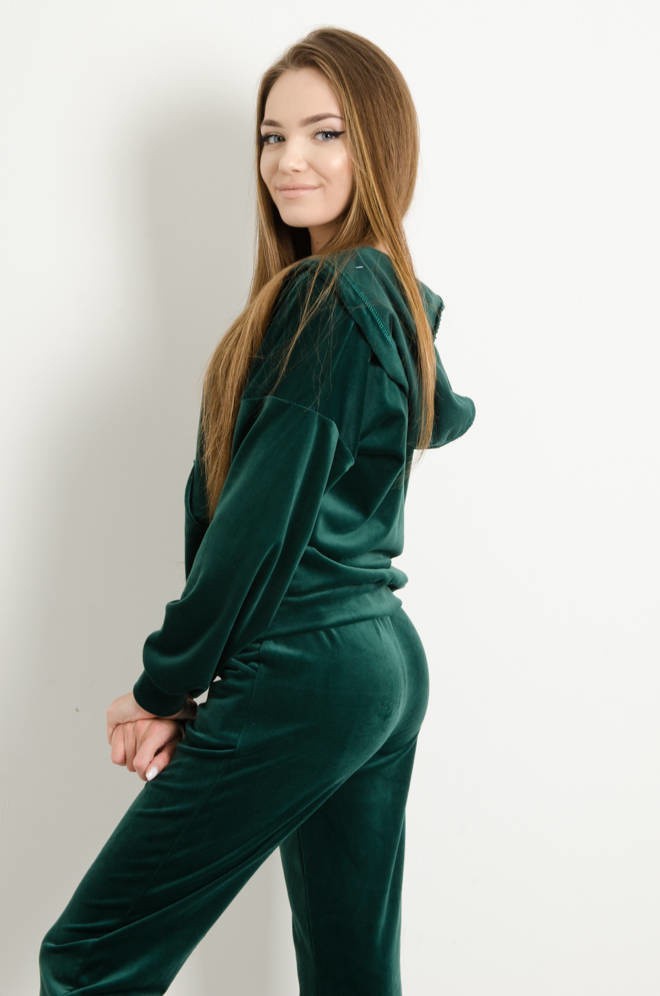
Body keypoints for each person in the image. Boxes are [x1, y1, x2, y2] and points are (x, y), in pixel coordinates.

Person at [38, 26, 476, 996]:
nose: (288, 161)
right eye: (272, 137)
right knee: (352, 973)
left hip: (309, 662)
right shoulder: (385, 306)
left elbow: (255, 525)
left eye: (325, 133)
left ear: (379, 146)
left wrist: (164, 686)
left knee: (86, 960)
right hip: (380, 662)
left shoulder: (329, 298)